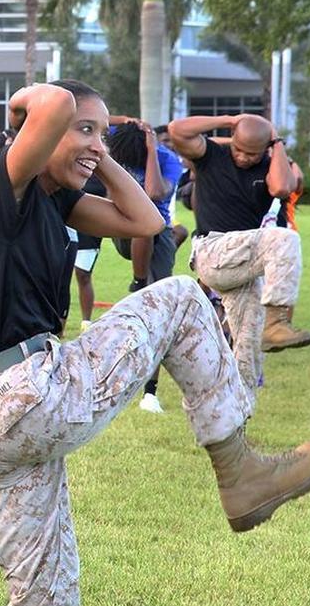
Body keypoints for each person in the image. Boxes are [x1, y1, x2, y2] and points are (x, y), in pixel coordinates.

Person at [0, 80, 310, 606]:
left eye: (103, 134)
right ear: (40, 132)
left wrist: (94, 155)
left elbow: (147, 222)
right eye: (84, 130)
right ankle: (239, 471)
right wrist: (24, 107)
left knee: (49, 587)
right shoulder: (3, 189)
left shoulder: (56, 206)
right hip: (24, 396)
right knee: (180, 298)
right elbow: (52, 102)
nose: (96, 144)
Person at [168, 113, 310, 398]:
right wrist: (230, 120)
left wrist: (277, 142)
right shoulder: (212, 155)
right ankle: (277, 321)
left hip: (243, 265)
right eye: (239, 150)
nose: (244, 158)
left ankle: (238, 413)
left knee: (248, 346)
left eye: (252, 153)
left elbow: (283, 188)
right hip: (212, 250)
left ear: (265, 149)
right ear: (231, 142)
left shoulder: (271, 165)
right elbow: (176, 130)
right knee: (284, 238)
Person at [106, 120, 185, 413]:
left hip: (155, 232)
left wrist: (151, 150)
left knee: (158, 314)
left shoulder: (167, 159)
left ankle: (149, 392)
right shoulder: (121, 139)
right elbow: (94, 111)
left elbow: (152, 194)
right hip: (120, 224)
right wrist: (128, 121)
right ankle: (139, 280)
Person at [71, 174, 106, 330]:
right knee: (59, 277)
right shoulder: (68, 170)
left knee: (83, 274)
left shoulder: (100, 176)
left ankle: (86, 321)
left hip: (90, 230)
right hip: (67, 226)